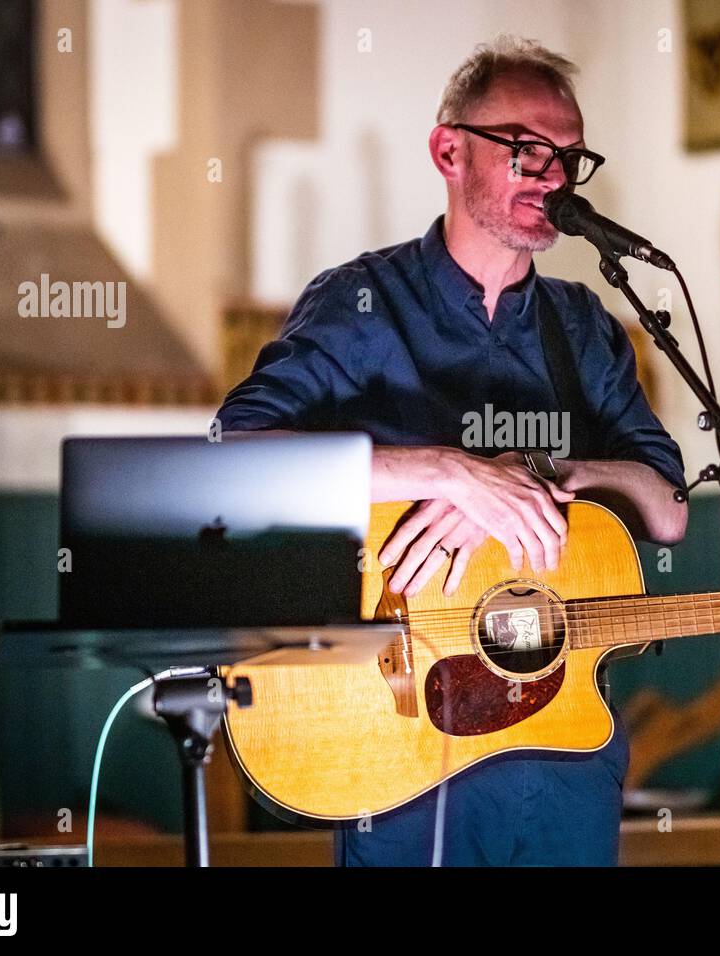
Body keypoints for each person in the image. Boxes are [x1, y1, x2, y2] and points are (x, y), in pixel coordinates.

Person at [216, 35, 686, 866]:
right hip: (400, 733)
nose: (552, 176)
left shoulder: (586, 328)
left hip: (562, 744)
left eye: (569, 158)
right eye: (526, 150)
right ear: (448, 150)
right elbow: (236, 459)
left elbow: (668, 507)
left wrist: (538, 476)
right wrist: (448, 473)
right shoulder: (360, 303)